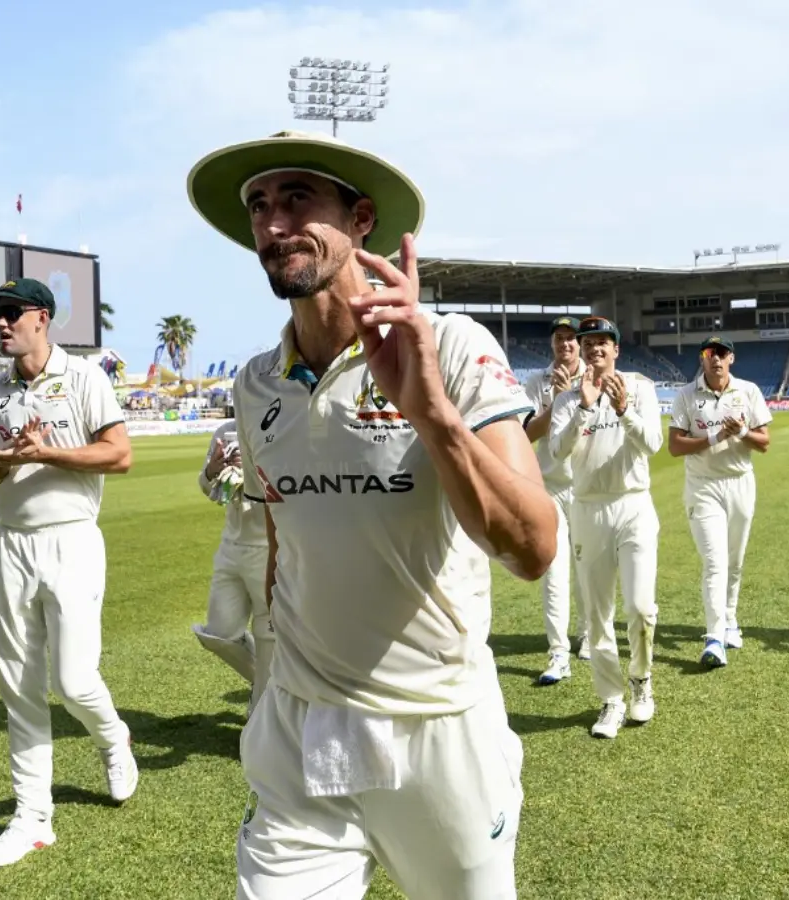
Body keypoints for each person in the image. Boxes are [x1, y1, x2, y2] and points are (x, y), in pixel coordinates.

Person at [187, 129, 557, 899]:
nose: (274, 222)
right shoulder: (258, 383)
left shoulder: (451, 347)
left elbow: (533, 547)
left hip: (436, 725)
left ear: (361, 220)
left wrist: (433, 416)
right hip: (299, 725)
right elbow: (281, 537)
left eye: (297, 198)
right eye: (259, 205)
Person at [0, 277, 138, 867]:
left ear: (42, 317)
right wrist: (5, 458)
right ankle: (33, 816)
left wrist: (47, 454)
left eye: (12, 313)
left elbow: (119, 454)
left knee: (73, 681)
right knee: (19, 686)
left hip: (71, 542)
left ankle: (114, 737)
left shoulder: (84, 376)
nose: (3, 323)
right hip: (11, 545)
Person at [548, 316, 663, 739]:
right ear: (580, 350)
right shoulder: (566, 401)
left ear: (616, 350)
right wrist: (582, 406)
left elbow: (653, 443)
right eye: (588, 343)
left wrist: (621, 409)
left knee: (640, 608)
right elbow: (559, 453)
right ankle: (612, 699)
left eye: (603, 343)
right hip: (589, 509)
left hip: (633, 504)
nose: (595, 349)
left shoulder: (641, 387)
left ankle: (641, 679)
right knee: (597, 616)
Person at [667, 336, 772, 668]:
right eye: (709, 353)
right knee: (715, 561)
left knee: (735, 561)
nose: (716, 358)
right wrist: (714, 437)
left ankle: (729, 620)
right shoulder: (686, 395)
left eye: (722, 353)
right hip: (702, 486)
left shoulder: (748, 391)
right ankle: (714, 638)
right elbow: (674, 446)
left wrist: (740, 433)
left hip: (740, 482)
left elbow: (764, 442)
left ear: (732, 358)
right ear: (702, 359)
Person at [521, 315, 590, 684]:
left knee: (587, 568)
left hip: (586, 486)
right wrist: (559, 401)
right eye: (559, 338)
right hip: (549, 486)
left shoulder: (595, 376)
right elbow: (527, 433)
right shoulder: (536, 381)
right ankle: (558, 651)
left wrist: (577, 398)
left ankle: (588, 632)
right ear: (552, 344)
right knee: (553, 570)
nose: (565, 344)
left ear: (580, 343)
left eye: (571, 338)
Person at [192, 418, 274, 712]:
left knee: (269, 636)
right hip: (231, 545)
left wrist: (249, 469)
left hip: (270, 546)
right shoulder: (225, 430)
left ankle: (265, 712)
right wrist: (214, 469)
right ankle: (273, 683)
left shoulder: (286, 422)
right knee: (218, 633)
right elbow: (207, 486)